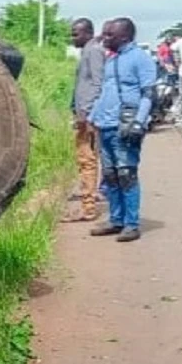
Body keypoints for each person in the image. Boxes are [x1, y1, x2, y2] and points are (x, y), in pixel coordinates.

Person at [89, 17, 157, 242]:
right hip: (106, 125)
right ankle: (116, 220)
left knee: (126, 174)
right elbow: (106, 91)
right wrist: (93, 117)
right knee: (110, 176)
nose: (105, 38)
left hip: (125, 125)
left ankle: (131, 224)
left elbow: (149, 94)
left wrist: (139, 122)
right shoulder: (112, 60)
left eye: (110, 35)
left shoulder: (140, 59)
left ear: (124, 37)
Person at [66, 18, 105, 223]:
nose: (73, 38)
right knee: (87, 160)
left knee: (86, 160)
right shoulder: (87, 51)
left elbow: (99, 85)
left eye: (76, 34)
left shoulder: (94, 52)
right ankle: (89, 198)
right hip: (83, 115)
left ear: (88, 33)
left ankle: (88, 208)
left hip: (88, 117)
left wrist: (90, 114)